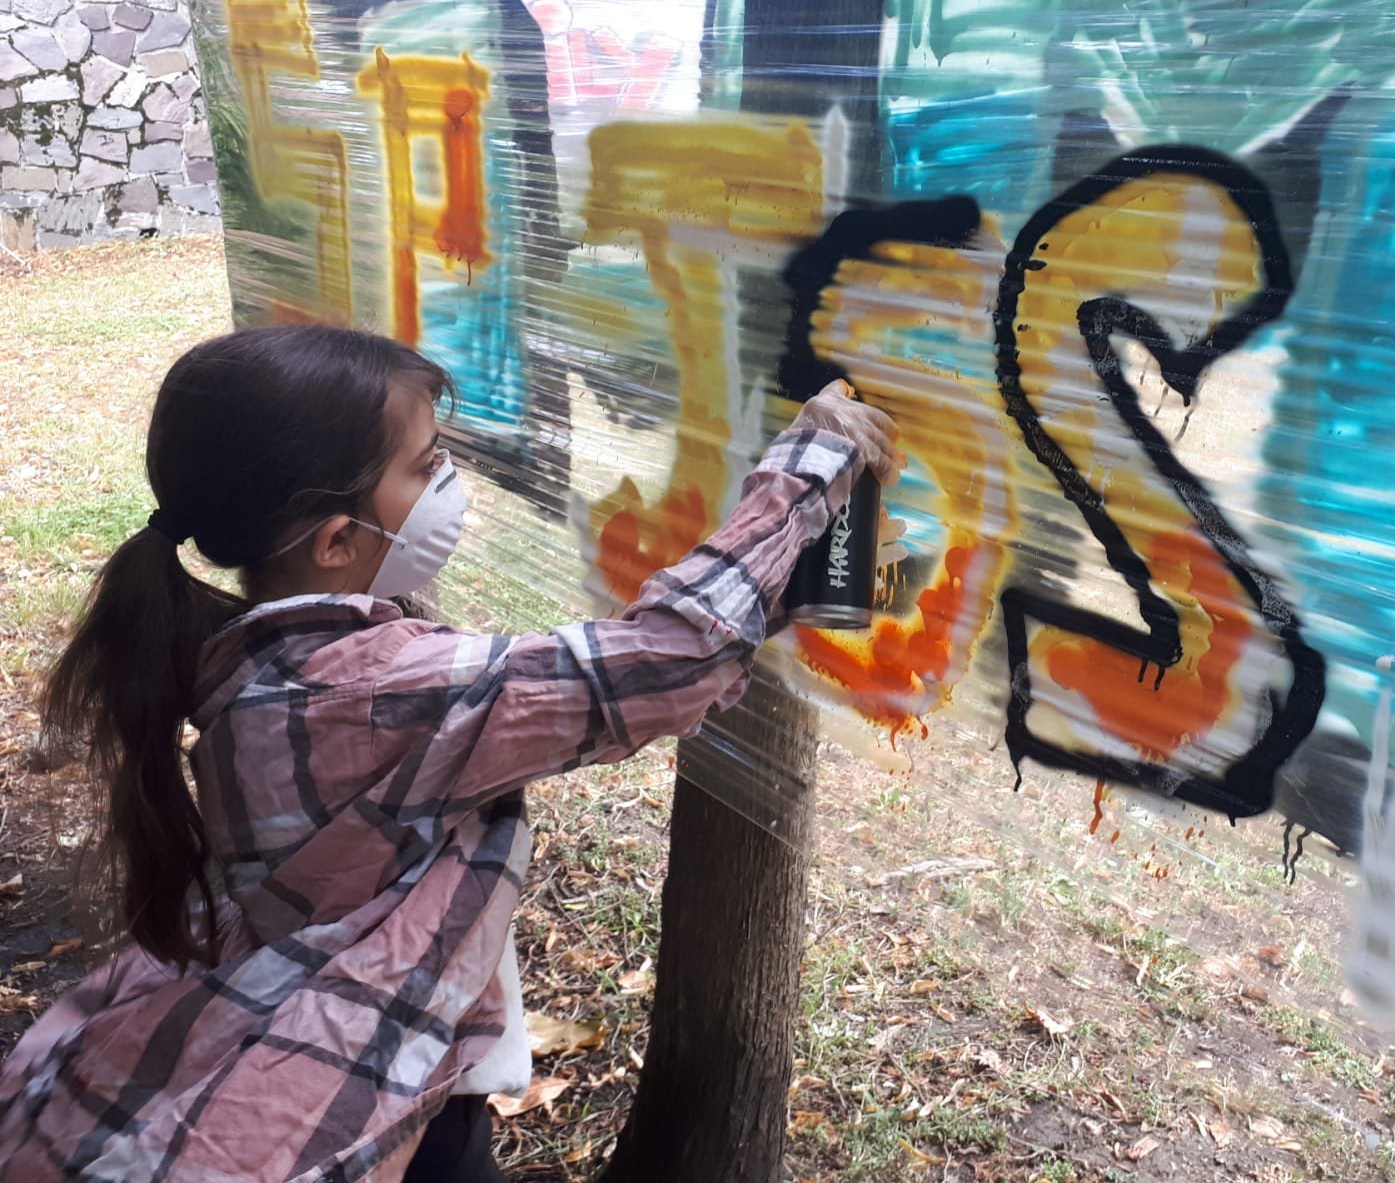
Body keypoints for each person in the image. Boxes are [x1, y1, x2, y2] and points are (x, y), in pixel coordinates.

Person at [0, 324, 900, 1183]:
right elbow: (666, 663)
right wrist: (810, 464)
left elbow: (622, 671)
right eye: (426, 468)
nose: (449, 485)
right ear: (338, 541)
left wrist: (775, 590)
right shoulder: (369, 690)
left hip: (353, 1047)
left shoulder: (271, 660)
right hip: (368, 1105)